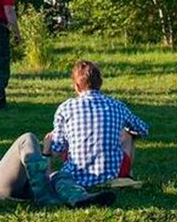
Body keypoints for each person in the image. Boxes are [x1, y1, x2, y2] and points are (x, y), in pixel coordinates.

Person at [43, 60, 149, 188]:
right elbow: (143, 129)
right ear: (100, 83)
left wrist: (49, 147)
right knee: (127, 134)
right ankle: (125, 176)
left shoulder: (65, 108)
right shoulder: (117, 105)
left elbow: (57, 150)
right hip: (112, 174)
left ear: (76, 86)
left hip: (76, 177)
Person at [0, 133, 116, 208]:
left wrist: (46, 152)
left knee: (60, 174)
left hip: (25, 186)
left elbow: (39, 168)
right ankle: (45, 196)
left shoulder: (4, 165)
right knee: (27, 139)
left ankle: (79, 198)